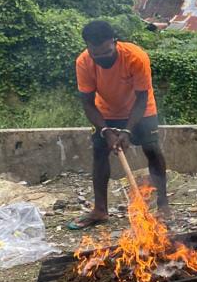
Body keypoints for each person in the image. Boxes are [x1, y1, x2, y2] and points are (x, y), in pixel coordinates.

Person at [68, 20, 169, 230]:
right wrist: (106, 131)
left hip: (141, 108)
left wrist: (126, 131)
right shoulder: (83, 62)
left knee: (152, 150)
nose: (102, 59)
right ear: (88, 48)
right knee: (99, 153)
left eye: (106, 53)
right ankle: (100, 210)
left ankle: (163, 206)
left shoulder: (135, 57)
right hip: (105, 110)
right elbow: (87, 103)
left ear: (114, 41)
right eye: (96, 55)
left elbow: (142, 98)